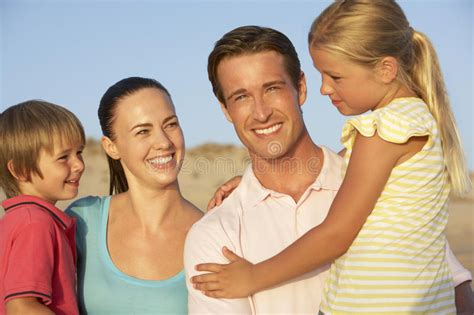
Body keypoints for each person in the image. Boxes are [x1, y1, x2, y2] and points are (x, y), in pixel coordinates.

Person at [184, 25, 473, 314]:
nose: (261, 112)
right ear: (225, 110)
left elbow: (454, 289)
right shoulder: (215, 232)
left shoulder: (379, 181)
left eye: (272, 88)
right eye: (241, 97)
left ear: (301, 88)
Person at [66, 77, 203, 314]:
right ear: (112, 147)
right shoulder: (83, 221)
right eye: (143, 131)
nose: (163, 142)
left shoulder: (211, 232)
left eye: (170, 124)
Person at [0, 100, 85, 315]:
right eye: (63, 157)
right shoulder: (35, 223)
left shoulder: (15, 220)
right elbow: (22, 307)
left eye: (80, 152)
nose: (79, 165)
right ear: (20, 169)